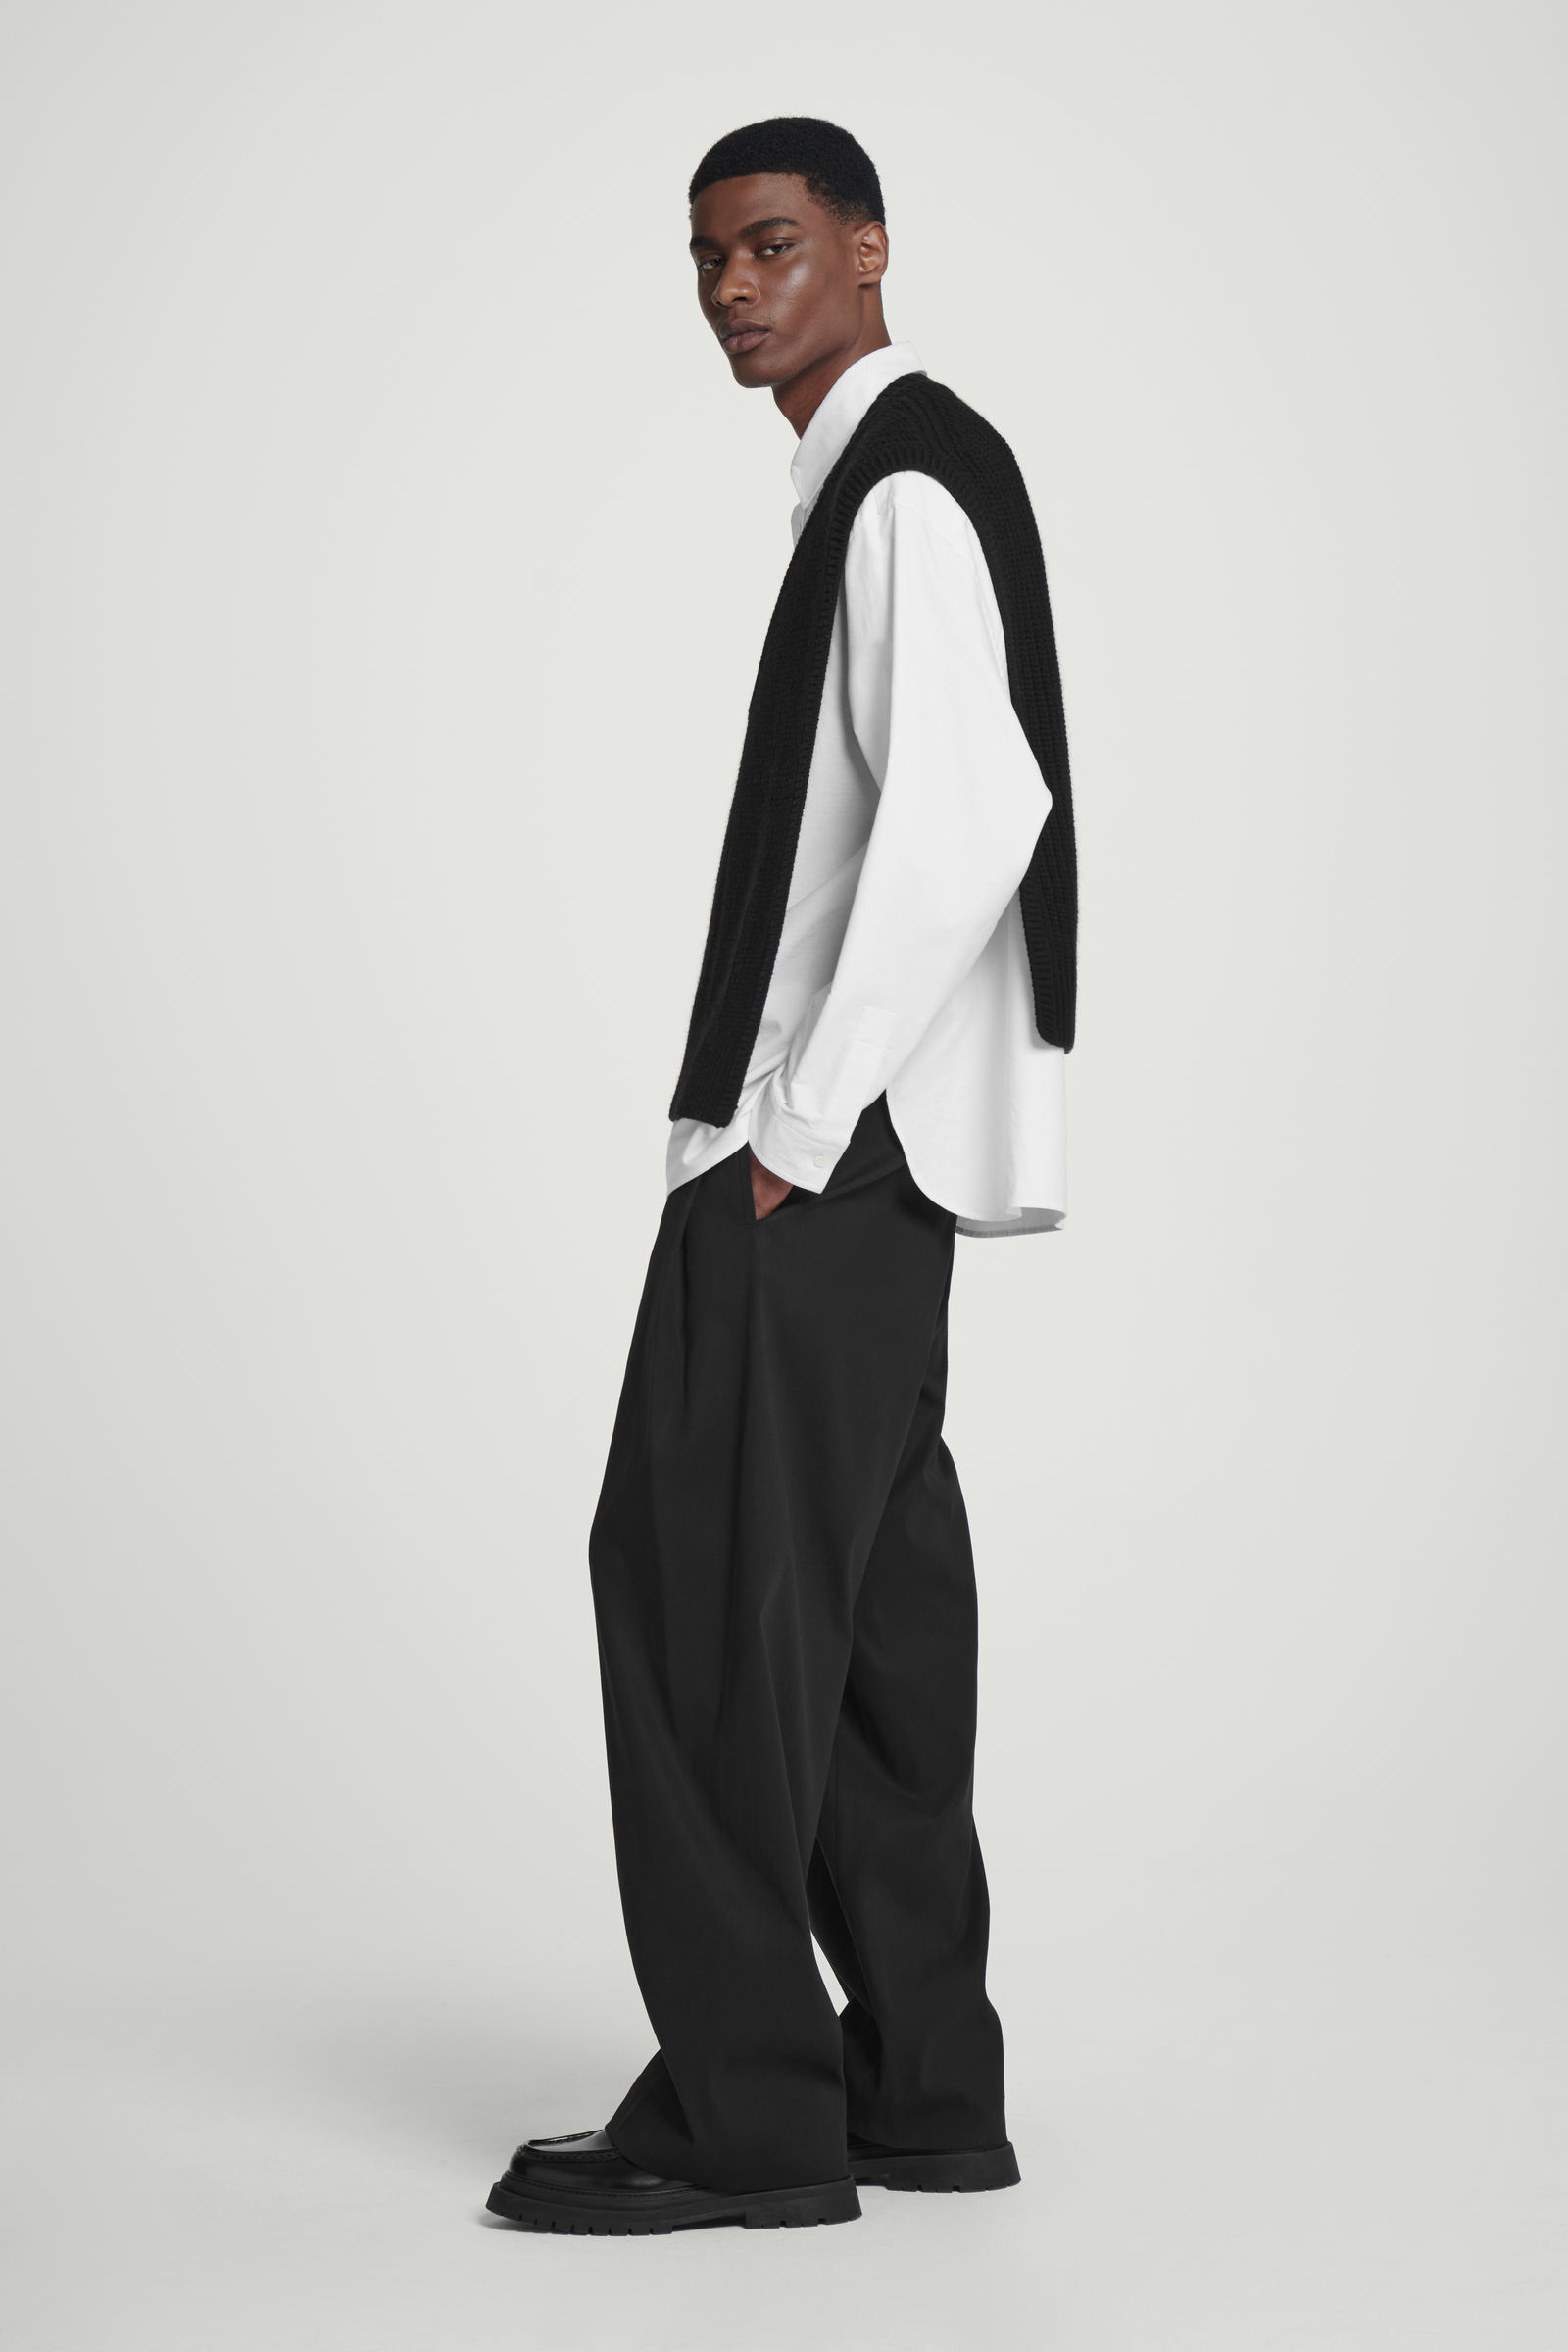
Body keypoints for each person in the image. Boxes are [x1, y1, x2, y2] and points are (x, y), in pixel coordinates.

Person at [487, 115, 1077, 2236]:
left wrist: (792, 1133)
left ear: (867, 247)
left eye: (770, 247)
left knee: (697, 1605)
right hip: (881, 1179)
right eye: (708, 259)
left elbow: (971, 815)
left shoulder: (900, 479)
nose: (733, 289)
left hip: (822, 1161)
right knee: (871, 1638)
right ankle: (923, 2090)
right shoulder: (895, 475)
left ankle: (743, 2115)